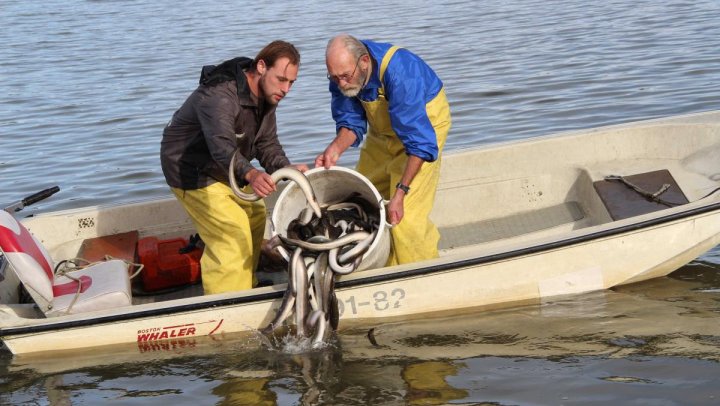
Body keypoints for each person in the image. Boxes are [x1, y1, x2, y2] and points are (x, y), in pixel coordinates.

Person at [161, 40, 308, 294]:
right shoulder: (219, 95)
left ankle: (245, 285)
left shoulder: (267, 95)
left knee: (256, 214)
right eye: (281, 79)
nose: (286, 89)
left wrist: (287, 168)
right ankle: (224, 302)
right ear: (261, 66)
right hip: (190, 169)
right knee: (231, 233)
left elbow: (266, 143)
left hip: (224, 168)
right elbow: (221, 146)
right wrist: (250, 173)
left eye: (291, 83)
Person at [315, 34, 451, 266]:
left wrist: (400, 192)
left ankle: (422, 271)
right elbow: (351, 122)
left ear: (364, 61)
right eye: (334, 78)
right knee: (363, 200)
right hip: (382, 135)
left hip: (423, 132)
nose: (341, 84)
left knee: (404, 218)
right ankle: (384, 267)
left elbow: (419, 142)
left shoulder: (401, 73)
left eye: (345, 77)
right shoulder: (342, 74)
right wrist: (334, 150)